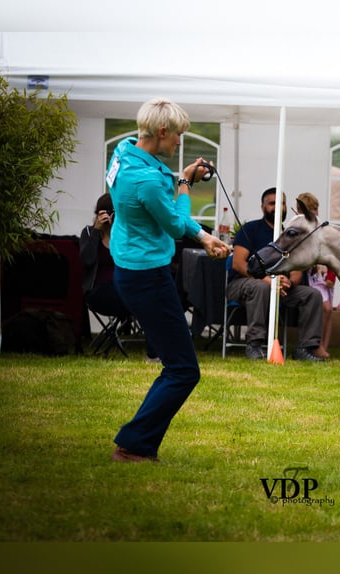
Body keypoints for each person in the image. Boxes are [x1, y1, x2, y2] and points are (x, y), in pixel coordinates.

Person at [106, 97, 231, 463]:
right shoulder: (145, 181)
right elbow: (176, 223)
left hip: (130, 268)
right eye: (177, 135)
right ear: (162, 132)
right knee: (183, 370)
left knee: (177, 366)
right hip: (146, 277)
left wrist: (179, 177)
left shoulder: (123, 152)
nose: (179, 142)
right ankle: (133, 446)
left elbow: (160, 187)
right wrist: (186, 189)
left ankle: (136, 443)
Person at [226, 187, 325, 361]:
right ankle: (254, 344)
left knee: (313, 295)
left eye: (282, 203)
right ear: (263, 207)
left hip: (280, 289)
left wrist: (289, 282)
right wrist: (267, 281)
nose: (278, 207)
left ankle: (305, 348)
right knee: (260, 287)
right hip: (244, 284)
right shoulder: (250, 229)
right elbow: (238, 264)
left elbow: (297, 270)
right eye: (272, 203)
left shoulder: (290, 234)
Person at [79, 193, 159, 362]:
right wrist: (96, 231)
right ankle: (154, 353)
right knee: (143, 299)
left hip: (124, 287)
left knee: (149, 298)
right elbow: (87, 260)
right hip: (98, 292)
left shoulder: (124, 234)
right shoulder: (89, 232)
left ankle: (155, 352)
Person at [296, 192, 334, 359]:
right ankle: (315, 344)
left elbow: (331, 254)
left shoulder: (320, 229)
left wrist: (331, 277)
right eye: (312, 210)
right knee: (323, 306)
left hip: (321, 279)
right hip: (308, 278)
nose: (316, 213)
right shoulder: (296, 230)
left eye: (316, 209)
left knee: (328, 309)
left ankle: (323, 345)